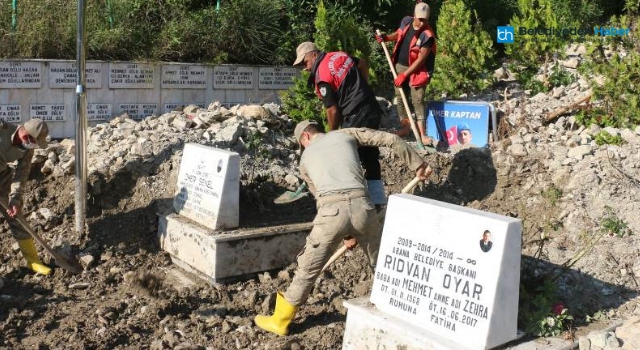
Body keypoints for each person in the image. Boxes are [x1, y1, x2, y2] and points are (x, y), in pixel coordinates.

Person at [254, 121, 432, 336]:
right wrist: (418, 165)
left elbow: (321, 197)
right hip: (363, 209)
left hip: (330, 214)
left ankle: (280, 321)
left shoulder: (304, 160)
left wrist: (344, 231)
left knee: (307, 269)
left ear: (305, 138)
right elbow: (391, 139)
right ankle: (398, 308)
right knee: (381, 263)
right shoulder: (346, 134)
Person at [293, 41, 387, 206]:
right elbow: (363, 63)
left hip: (355, 115)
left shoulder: (322, 76)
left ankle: (354, 202)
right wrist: (364, 87)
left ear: (314, 54)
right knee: (370, 156)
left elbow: (332, 111)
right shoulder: (338, 56)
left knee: (347, 158)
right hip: (371, 108)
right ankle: (378, 201)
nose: (305, 68)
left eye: (305, 62)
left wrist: (332, 135)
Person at [376, 2, 437, 146]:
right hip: (400, 65)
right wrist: (386, 38)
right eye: (420, 19)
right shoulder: (406, 21)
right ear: (414, 15)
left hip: (419, 70)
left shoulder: (428, 36)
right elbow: (398, 34)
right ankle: (406, 127)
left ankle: (422, 134)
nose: (422, 23)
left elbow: (421, 60)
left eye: (425, 20)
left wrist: (405, 75)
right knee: (400, 96)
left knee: (418, 100)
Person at [0, 119, 51, 275]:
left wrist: (15, 200)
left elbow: (21, 174)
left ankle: (33, 261)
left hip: (2, 176)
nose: (33, 146)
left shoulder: (27, 148)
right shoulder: (2, 129)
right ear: (26, 134)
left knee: (16, 216)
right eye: (34, 141)